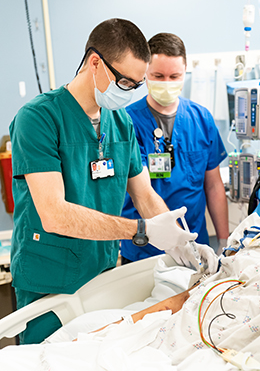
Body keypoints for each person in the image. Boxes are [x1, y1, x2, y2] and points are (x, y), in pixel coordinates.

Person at [9, 19, 217, 345]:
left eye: (136, 85)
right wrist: (142, 231)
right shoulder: (38, 119)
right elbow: (54, 213)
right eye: (124, 81)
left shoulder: (119, 121)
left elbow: (144, 192)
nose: (130, 92)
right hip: (50, 278)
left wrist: (178, 239)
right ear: (95, 62)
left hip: (103, 272)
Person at [121, 33, 229, 264]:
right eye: (158, 76)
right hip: (144, 249)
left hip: (196, 244)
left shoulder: (201, 119)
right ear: (145, 74)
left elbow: (213, 185)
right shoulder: (127, 123)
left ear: (185, 72)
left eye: (174, 76)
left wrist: (223, 240)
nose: (167, 83)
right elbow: (140, 192)